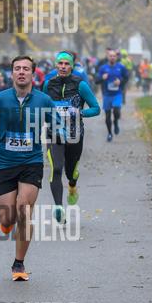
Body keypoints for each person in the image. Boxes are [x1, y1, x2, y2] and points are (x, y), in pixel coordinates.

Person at [0, 55, 58, 281]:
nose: (21, 72)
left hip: (31, 162)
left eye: (26, 68)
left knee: (24, 210)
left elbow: (56, 123)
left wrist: (59, 132)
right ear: (12, 73)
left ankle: (19, 263)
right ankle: (7, 224)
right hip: (5, 162)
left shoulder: (43, 100)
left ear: (33, 73)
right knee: (7, 218)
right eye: (17, 68)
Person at [42, 51, 99, 223]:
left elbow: (96, 108)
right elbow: (42, 107)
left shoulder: (81, 85)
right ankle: (59, 208)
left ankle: (72, 185)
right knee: (56, 169)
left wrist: (80, 113)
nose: (63, 67)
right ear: (56, 65)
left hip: (75, 135)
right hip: (54, 134)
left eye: (67, 64)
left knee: (69, 172)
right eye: (60, 63)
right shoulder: (48, 85)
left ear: (72, 66)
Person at [96, 48, 128, 142]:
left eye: (114, 56)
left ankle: (116, 121)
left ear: (116, 57)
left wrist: (120, 81)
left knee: (117, 110)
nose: (112, 57)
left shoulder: (121, 67)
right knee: (107, 115)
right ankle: (109, 133)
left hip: (117, 93)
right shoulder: (103, 68)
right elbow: (96, 81)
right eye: (110, 56)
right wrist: (102, 78)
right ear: (108, 57)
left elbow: (126, 77)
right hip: (106, 94)